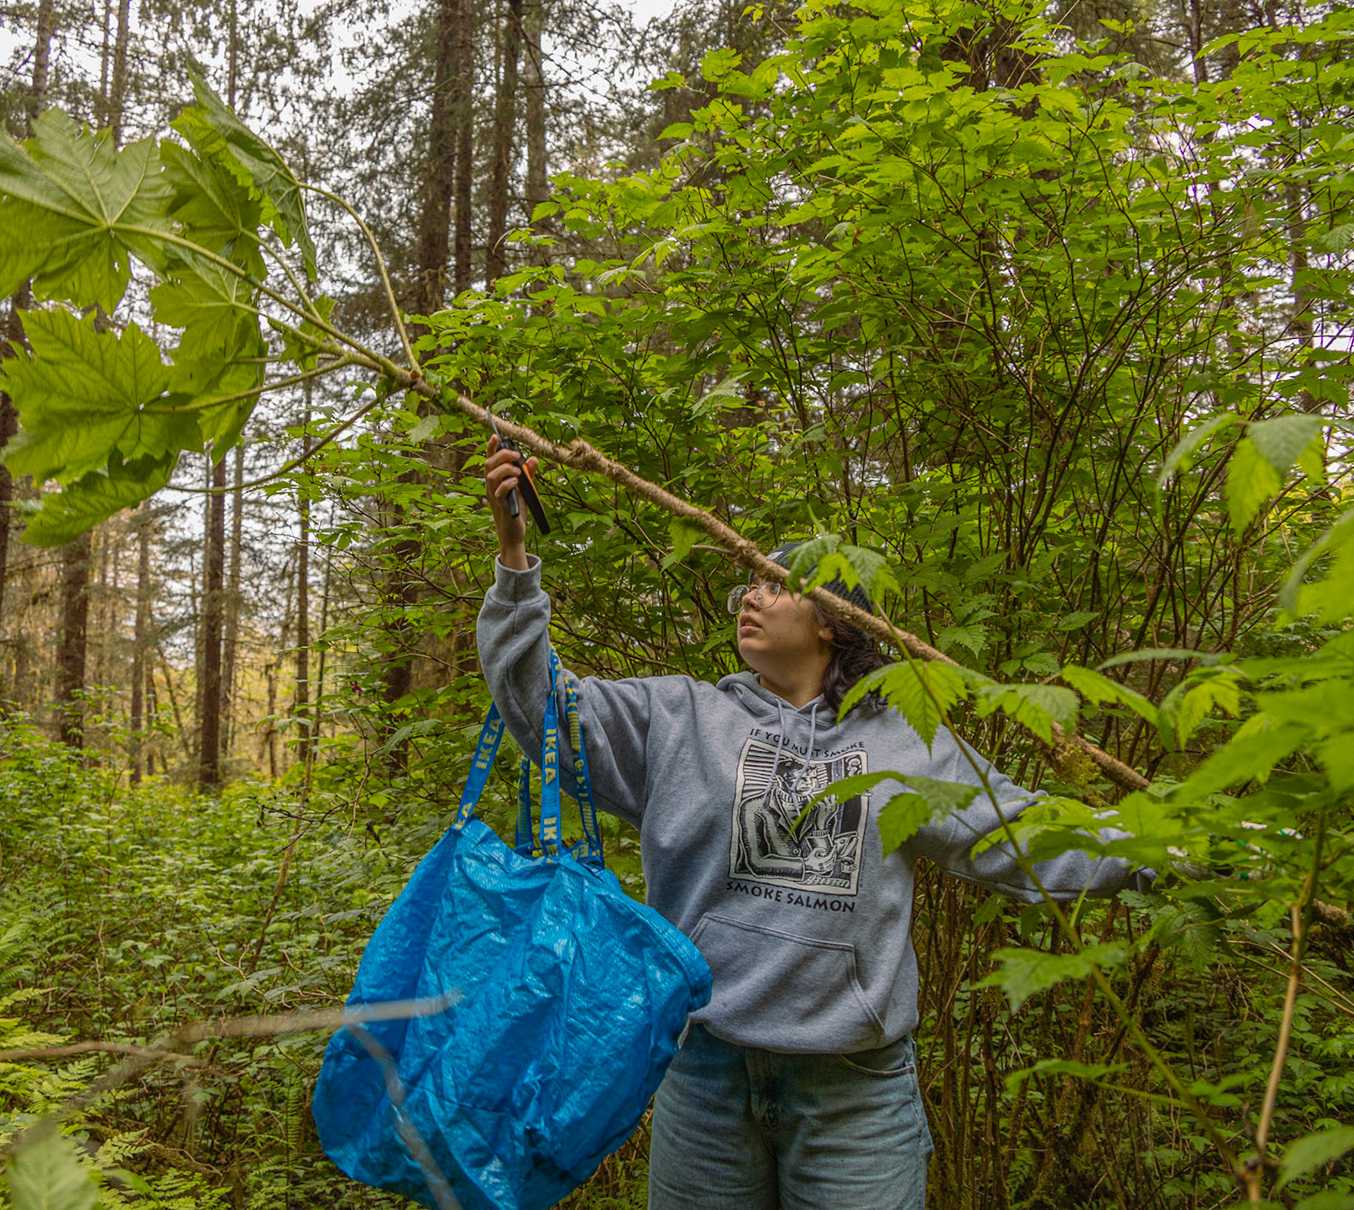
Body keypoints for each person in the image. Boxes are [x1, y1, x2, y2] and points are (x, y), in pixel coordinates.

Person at [476, 440, 1153, 1210]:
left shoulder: (908, 742)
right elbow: (541, 708)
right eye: (747, 584)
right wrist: (514, 558)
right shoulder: (681, 718)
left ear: (834, 620)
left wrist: (1175, 844)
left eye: (774, 583)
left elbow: (1024, 835)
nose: (750, 597)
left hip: (854, 1093)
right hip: (704, 1079)